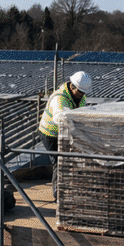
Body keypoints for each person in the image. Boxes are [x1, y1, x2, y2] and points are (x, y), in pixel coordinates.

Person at [38, 70, 93, 201]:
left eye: (84, 93)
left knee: (69, 160)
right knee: (59, 161)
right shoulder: (59, 98)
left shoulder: (80, 95)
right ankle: (58, 195)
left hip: (65, 132)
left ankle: (69, 187)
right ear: (73, 87)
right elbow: (59, 118)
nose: (82, 95)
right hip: (50, 134)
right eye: (81, 92)